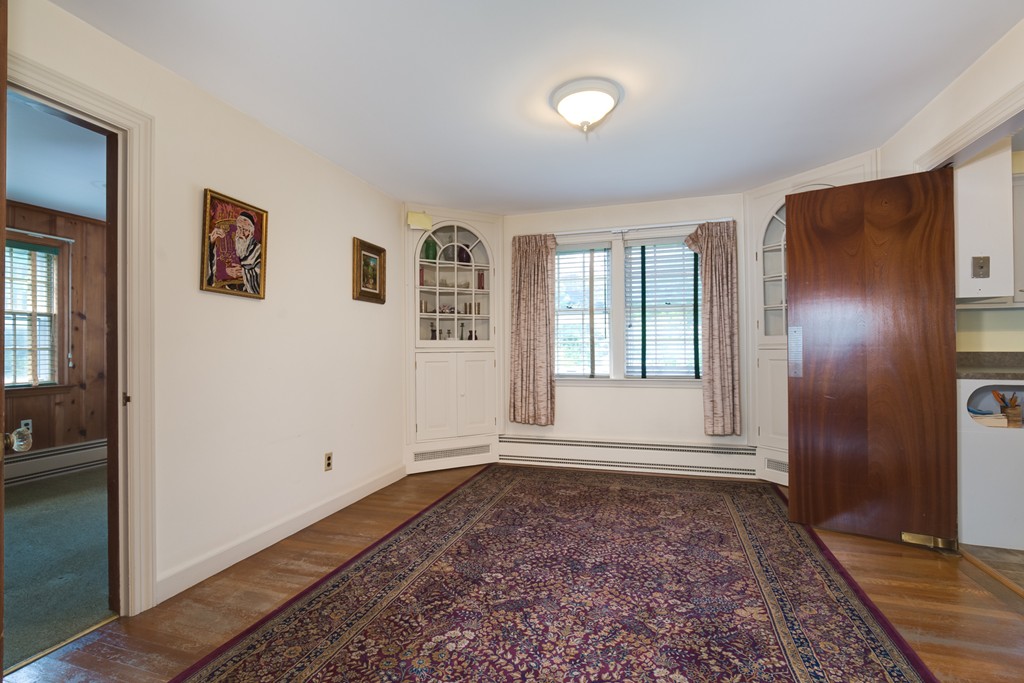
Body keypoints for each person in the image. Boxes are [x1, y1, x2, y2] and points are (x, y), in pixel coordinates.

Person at [207, 211, 261, 294]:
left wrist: (243, 273)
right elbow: (217, 264)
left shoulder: (258, 250)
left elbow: (261, 275)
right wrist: (211, 241)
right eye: (239, 228)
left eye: (245, 230)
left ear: (251, 232)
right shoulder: (232, 244)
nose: (241, 233)